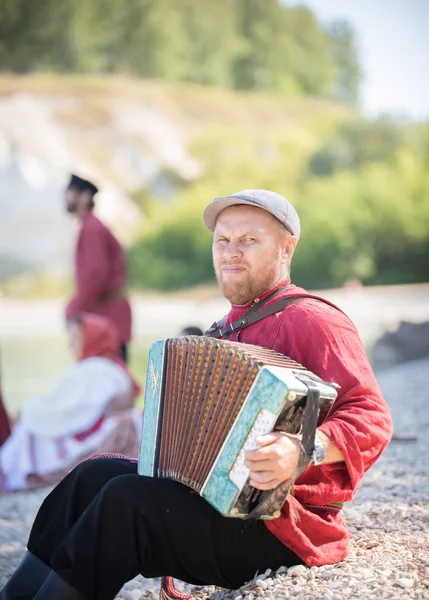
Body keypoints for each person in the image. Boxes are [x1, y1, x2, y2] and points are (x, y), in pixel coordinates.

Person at [0, 190, 392, 600]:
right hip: (217, 508)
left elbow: (372, 418)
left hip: (283, 527)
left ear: (286, 248)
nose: (231, 253)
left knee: (125, 500)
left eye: (249, 241)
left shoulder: (314, 320)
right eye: (223, 241)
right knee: (90, 475)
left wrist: (299, 449)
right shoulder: (222, 329)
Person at [0, 313, 141, 494]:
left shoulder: (95, 369)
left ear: (92, 339)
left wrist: (28, 411)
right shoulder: (112, 367)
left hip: (94, 434)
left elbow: (67, 413)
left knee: (30, 431)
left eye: (75, 338)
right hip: (99, 426)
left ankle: (10, 473)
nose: (70, 345)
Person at [65, 174, 132, 363]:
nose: (66, 196)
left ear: (85, 196)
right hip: (106, 313)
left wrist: (75, 308)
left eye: (71, 192)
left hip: (107, 315)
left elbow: (96, 274)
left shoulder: (92, 228)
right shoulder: (90, 225)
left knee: (108, 379)